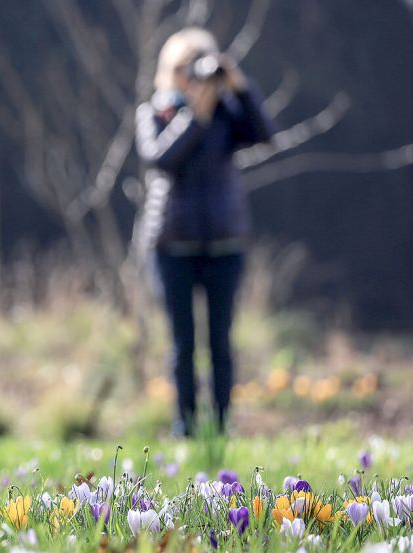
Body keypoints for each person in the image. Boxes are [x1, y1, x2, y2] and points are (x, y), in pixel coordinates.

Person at [135, 27, 275, 437]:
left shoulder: (227, 113)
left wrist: (239, 88)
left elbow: (265, 134)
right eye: (183, 67)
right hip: (172, 242)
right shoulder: (156, 112)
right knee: (182, 343)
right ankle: (186, 425)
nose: (192, 77)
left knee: (220, 341)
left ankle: (223, 423)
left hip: (224, 241)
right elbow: (160, 159)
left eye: (199, 66)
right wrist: (195, 115)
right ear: (168, 71)